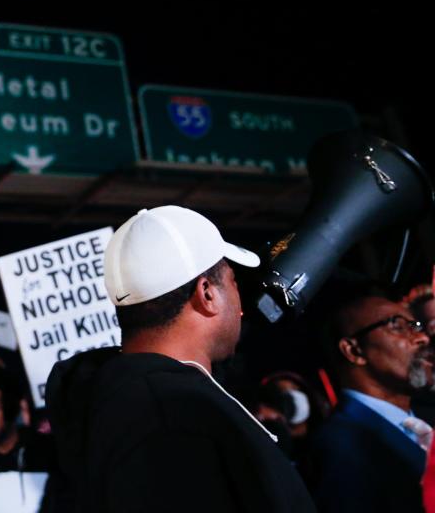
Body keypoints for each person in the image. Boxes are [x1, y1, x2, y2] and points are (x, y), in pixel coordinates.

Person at [45, 205, 316, 512]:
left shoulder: (127, 398)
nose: (241, 297)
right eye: (232, 281)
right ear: (207, 293)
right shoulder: (172, 417)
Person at [310, 293, 433, 512]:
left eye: (416, 325)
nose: (422, 338)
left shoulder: (423, 425)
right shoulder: (340, 448)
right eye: (397, 325)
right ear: (354, 350)